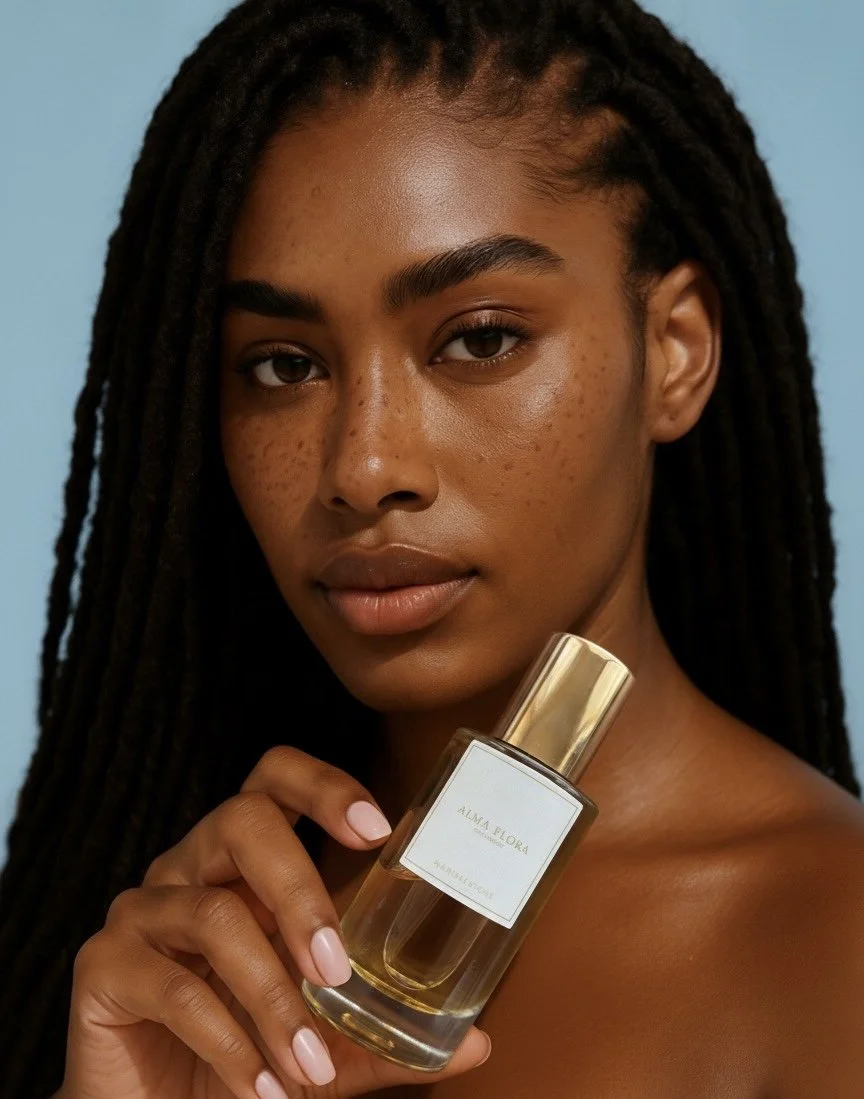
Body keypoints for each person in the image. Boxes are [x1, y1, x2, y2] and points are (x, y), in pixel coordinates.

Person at [1, 0, 862, 1095]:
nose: (364, 467)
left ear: (675, 350)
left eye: (480, 339)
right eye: (282, 365)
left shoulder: (833, 949)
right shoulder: (173, 951)